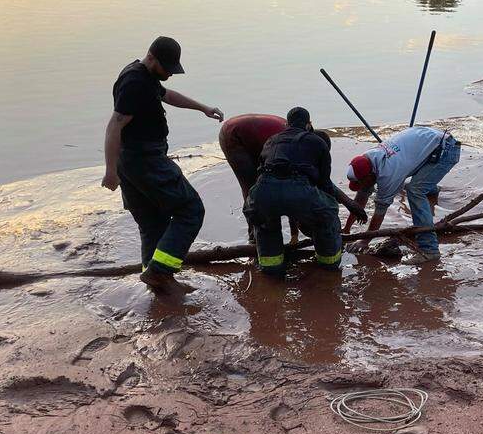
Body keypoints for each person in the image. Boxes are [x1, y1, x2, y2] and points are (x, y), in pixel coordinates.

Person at [100, 36, 224, 293]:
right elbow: (114, 125)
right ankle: (160, 273)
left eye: (172, 68)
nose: (169, 73)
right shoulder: (135, 82)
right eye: (166, 68)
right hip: (145, 160)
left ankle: (155, 279)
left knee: (152, 223)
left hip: (133, 160)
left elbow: (167, 95)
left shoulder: (143, 76)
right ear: (151, 57)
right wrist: (110, 171)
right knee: (191, 209)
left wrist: (202, 108)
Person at [243, 107, 367, 276]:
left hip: (262, 193)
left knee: (265, 224)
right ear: (309, 124)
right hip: (298, 190)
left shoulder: (271, 140)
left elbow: (260, 174)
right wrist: (347, 205)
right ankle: (328, 264)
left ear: (287, 124)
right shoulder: (317, 142)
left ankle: (271, 269)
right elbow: (325, 184)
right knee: (328, 212)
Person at [343, 126, 461, 264]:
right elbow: (361, 196)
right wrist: (347, 228)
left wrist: (364, 241)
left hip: (446, 150)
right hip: (429, 144)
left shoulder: (389, 173)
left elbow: (380, 210)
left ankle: (430, 250)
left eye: (362, 183)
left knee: (415, 191)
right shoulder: (368, 158)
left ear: (370, 175)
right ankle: (430, 187)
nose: (361, 187)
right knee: (414, 182)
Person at [217, 113, 291, 242]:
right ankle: (254, 233)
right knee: (252, 187)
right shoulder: (291, 144)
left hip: (252, 136)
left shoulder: (296, 136)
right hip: (234, 136)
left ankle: (260, 227)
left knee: (265, 183)